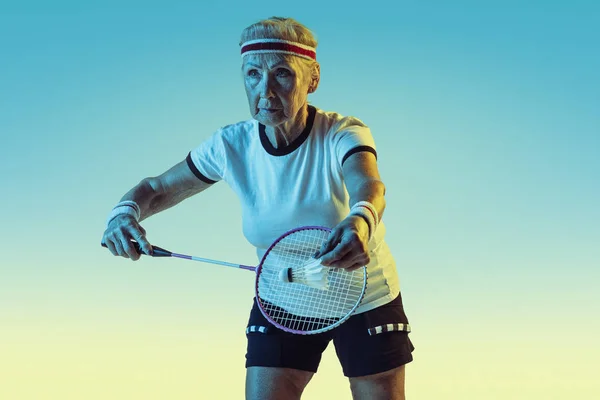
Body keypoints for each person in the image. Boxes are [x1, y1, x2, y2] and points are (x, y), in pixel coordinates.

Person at [101, 16, 414, 400]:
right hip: (282, 298)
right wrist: (123, 214)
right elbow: (157, 188)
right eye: (252, 74)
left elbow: (368, 184)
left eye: (282, 74)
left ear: (312, 79)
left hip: (362, 297)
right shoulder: (231, 145)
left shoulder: (342, 132)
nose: (265, 91)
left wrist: (360, 221)